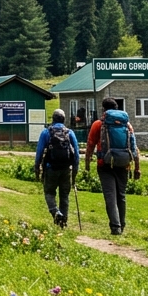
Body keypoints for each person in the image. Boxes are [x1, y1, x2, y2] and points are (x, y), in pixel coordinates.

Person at [84, 97, 140, 235]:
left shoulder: (99, 124)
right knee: (121, 195)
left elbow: (90, 145)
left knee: (110, 195)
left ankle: (115, 227)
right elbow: (134, 148)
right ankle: (122, 224)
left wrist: (87, 164)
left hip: (105, 164)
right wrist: (137, 168)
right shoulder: (127, 125)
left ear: (103, 109)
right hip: (124, 164)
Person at [34, 108, 79, 228]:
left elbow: (39, 152)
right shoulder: (70, 133)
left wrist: (37, 168)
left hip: (51, 168)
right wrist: (74, 172)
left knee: (49, 192)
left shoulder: (46, 132)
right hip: (66, 169)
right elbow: (76, 155)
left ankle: (55, 212)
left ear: (53, 119)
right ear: (64, 120)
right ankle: (63, 222)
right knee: (64, 195)